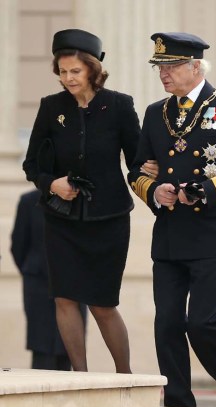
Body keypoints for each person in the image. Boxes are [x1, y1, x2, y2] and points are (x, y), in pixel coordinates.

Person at [128, 32, 216, 407]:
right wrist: (154, 190)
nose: (163, 74)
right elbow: (135, 170)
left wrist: (204, 190)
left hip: (213, 233)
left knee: (203, 322)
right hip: (170, 233)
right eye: (159, 68)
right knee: (167, 323)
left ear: (195, 67)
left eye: (170, 67)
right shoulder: (155, 113)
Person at [22, 29, 139, 373]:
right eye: (62, 71)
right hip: (61, 219)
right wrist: (51, 184)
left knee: (103, 303)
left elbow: (138, 160)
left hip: (110, 217)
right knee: (64, 298)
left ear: (92, 69)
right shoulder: (50, 107)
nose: (68, 78)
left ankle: (125, 378)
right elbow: (31, 164)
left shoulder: (120, 105)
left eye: (75, 70)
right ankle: (80, 377)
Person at [11, 189, 87, 370]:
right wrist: (34, 270)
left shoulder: (82, 200)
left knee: (69, 348)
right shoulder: (28, 201)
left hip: (73, 284)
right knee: (42, 348)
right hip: (38, 286)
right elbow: (18, 245)